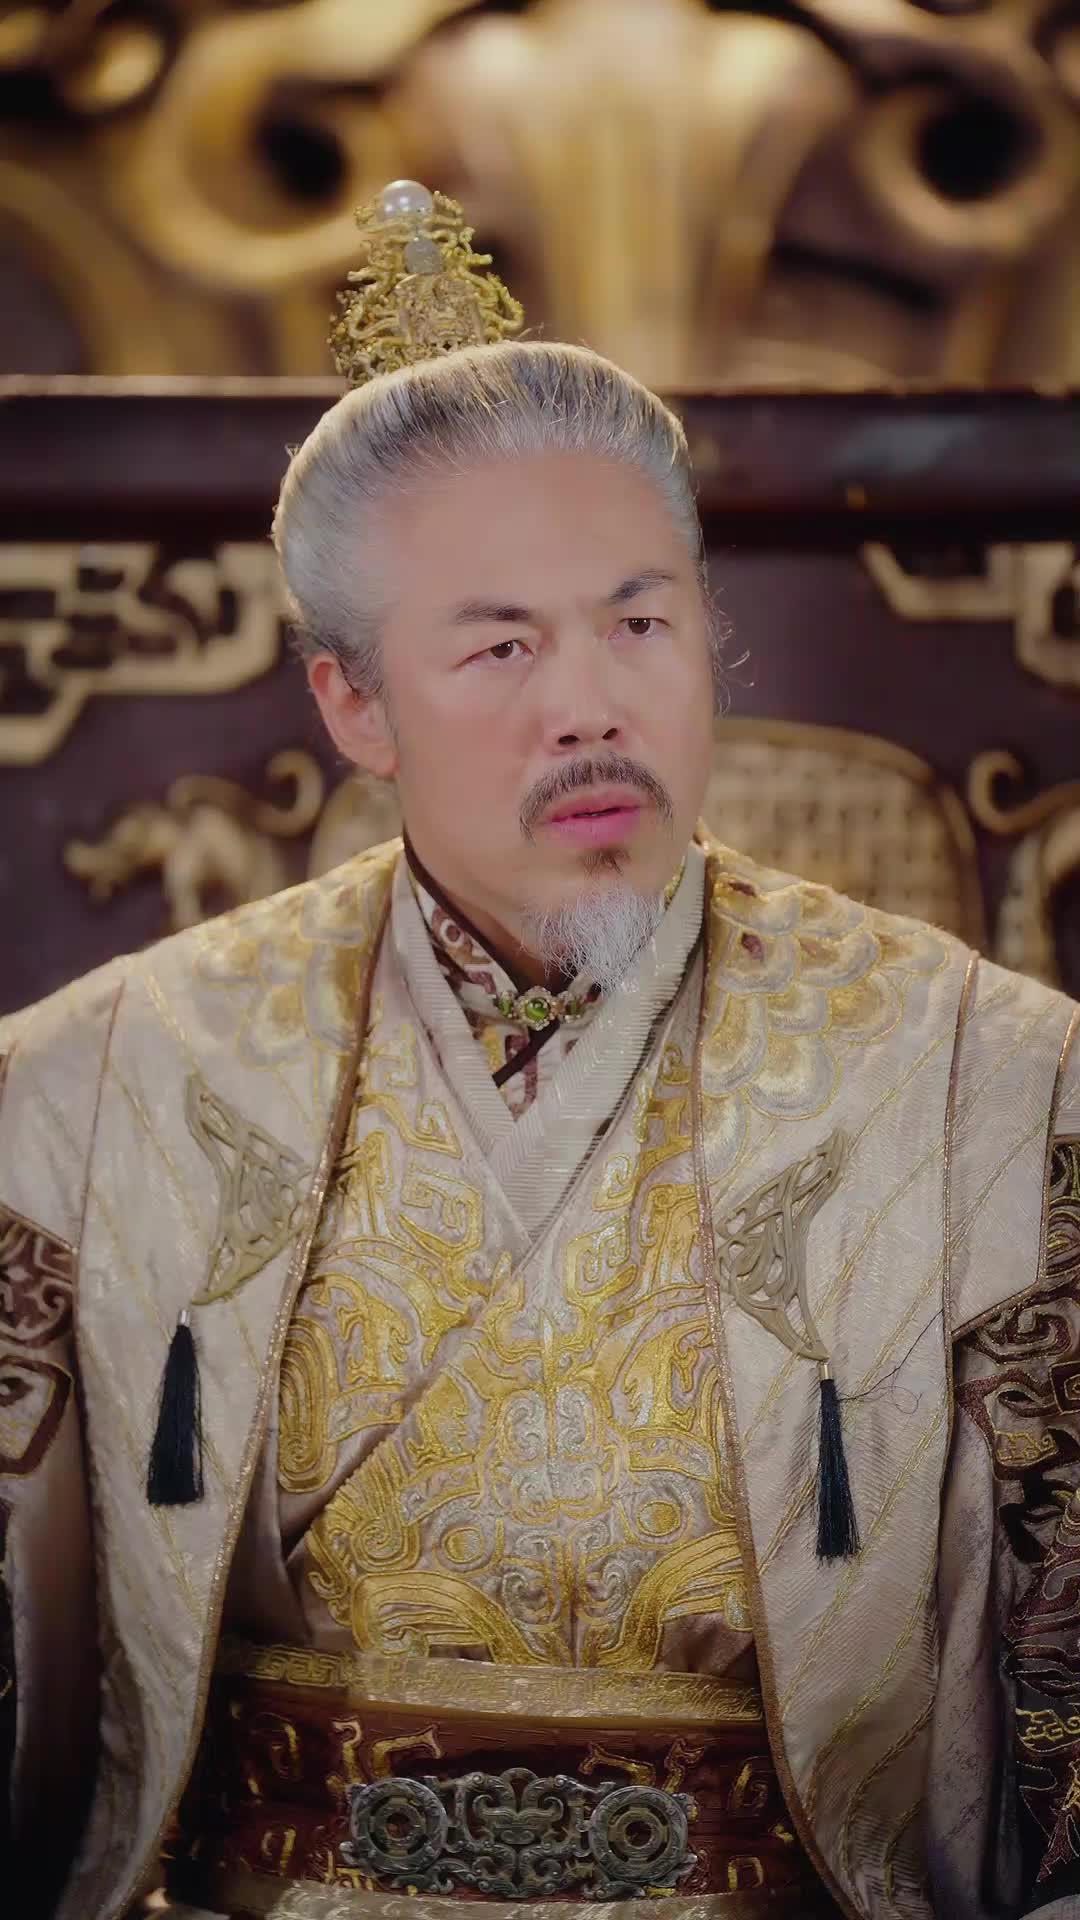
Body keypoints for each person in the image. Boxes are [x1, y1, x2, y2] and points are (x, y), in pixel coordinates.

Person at [2, 182, 1079, 1920]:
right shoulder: (100, 1086)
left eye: (640, 624)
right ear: (355, 703)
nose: (592, 706)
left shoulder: (986, 1081)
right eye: (502, 643)